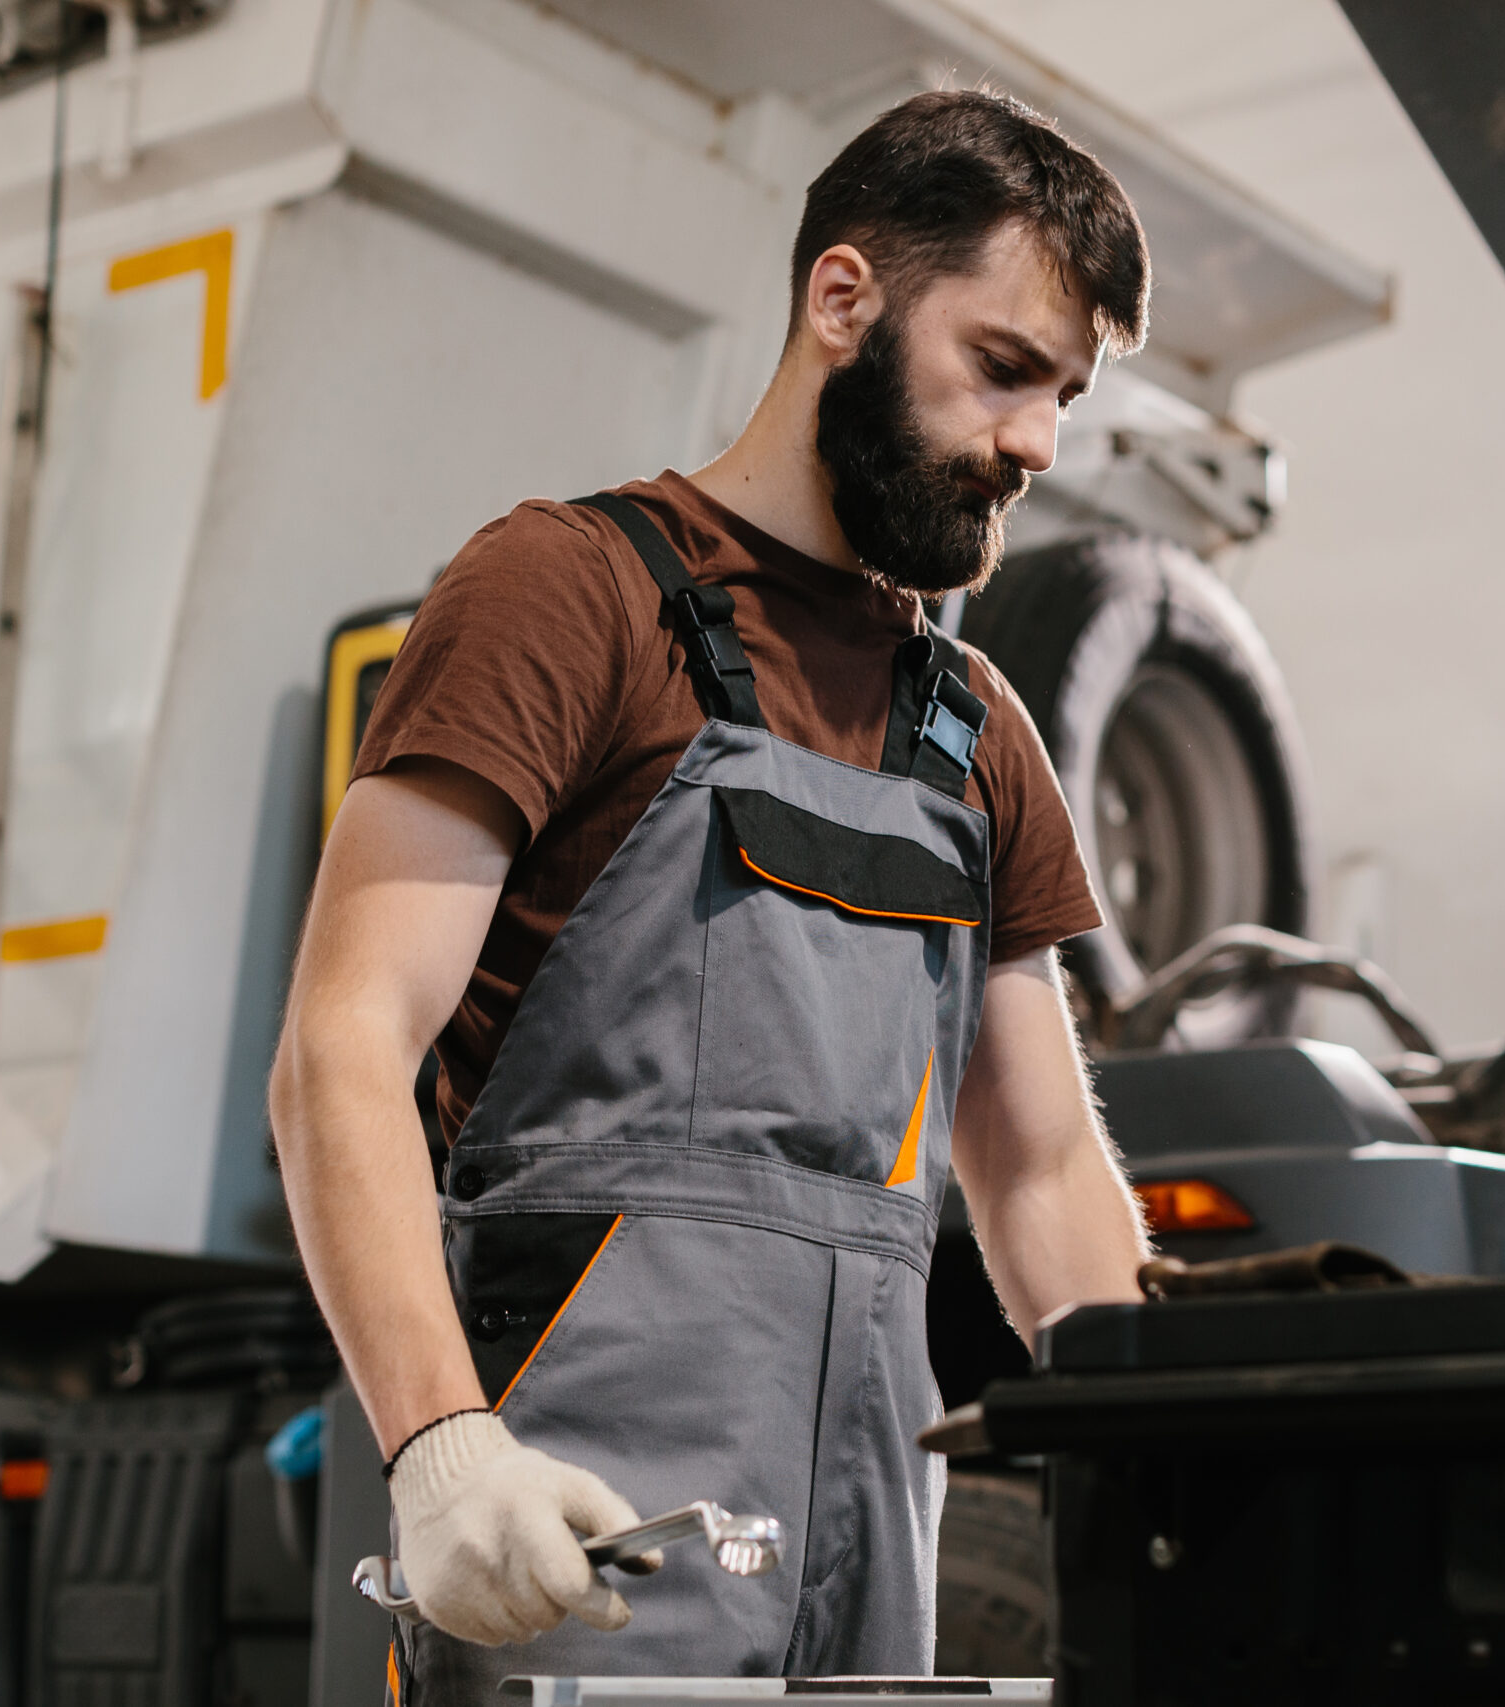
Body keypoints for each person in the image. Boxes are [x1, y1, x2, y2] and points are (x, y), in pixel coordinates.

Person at [268, 88, 1153, 1695]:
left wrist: (1180, 1451)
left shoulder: (975, 735)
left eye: (1065, 399)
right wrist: (446, 1449)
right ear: (843, 300)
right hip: (584, 1542)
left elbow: (1037, 1183)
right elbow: (342, 1049)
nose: (1033, 444)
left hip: (868, 1542)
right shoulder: (568, 594)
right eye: (1004, 369)